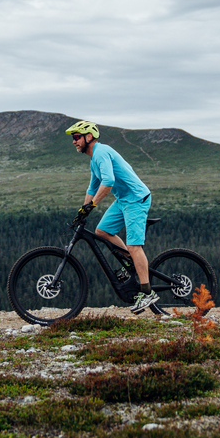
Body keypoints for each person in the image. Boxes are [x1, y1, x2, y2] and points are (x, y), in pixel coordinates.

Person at [64, 121, 159, 313]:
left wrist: (92, 205)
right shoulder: (94, 160)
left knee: (134, 246)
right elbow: (92, 188)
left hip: (136, 199)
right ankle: (131, 264)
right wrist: (83, 210)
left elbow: (108, 182)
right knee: (102, 231)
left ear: (88, 137)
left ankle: (147, 293)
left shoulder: (101, 152)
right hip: (123, 199)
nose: (74, 142)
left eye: (76, 137)